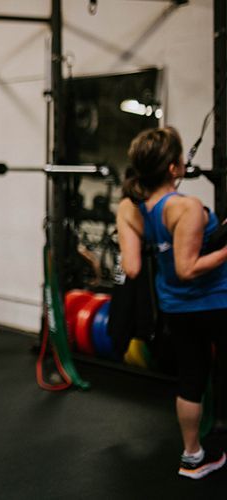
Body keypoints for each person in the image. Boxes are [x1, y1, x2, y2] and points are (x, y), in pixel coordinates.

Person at [116, 126, 227, 479]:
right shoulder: (187, 207)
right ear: (175, 168)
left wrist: (158, 240)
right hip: (217, 304)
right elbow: (187, 268)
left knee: (192, 378)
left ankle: (193, 456)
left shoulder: (128, 208)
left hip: (175, 308)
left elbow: (132, 268)